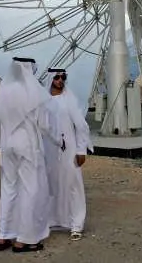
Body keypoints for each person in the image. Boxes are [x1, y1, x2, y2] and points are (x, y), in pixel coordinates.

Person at [0, 57, 61, 253]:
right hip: (27, 147)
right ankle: (24, 239)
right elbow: (45, 125)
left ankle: (3, 236)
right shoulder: (33, 91)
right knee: (31, 190)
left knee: (8, 189)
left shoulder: (4, 91)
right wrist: (58, 140)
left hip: (6, 147)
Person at [41, 68, 94, 241]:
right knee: (50, 184)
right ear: (50, 79)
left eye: (63, 77)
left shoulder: (69, 99)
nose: (60, 80)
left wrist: (81, 150)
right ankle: (51, 220)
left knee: (73, 184)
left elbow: (81, 126)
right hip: (47, 150)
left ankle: (76, 224)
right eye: (56, 77)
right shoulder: (43, 100)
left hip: (69, 149)